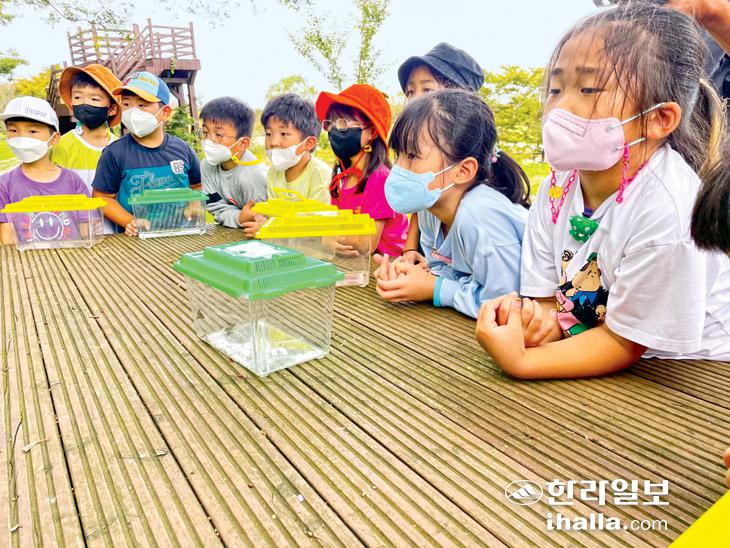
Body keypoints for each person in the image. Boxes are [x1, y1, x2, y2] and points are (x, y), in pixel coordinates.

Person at [475, 3, 730, 379]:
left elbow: (623, 342)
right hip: (604, 355)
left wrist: (523, 361)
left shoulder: (668, 207)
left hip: (688, 374)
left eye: (588, 89)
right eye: (556, 89)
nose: (560, 107)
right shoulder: (557, 187)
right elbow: (548, 300)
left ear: (659, 119)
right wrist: (536, 323)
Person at [374, 89, 530, 318]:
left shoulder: (480, 217)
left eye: (412, 156)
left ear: (463, 170)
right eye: (398, 154)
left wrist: (434, 288)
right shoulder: (430, 208)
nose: (398, 167)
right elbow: (447, 270)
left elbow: (504, 304)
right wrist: (414, 276)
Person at [397, 43, 485, 269]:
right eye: (410, 92)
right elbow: (421, 203)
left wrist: (435, 284)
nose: (415, 100)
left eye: (427, 90)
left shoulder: (481, 214)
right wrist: (410, 250)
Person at [92, 71, 201, 236]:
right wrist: (129, 221)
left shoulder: (183, 149)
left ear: (165, 112)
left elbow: (197, 185)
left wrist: (194, 203)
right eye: (126, 104)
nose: (133, 112)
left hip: (182, 233)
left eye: (142, 105)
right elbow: (102, 197)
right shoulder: (114, 153)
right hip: (136, 240)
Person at [316, 83, 407, 256]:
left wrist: (326, 237)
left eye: (343, 123)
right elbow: (334, 224)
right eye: (330, 123)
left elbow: (366, 245)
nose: (334, 129)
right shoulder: (341, 178)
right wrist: (326, 237)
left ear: (372, 132)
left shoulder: (381, 179)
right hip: (355, 263)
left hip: (385, 265)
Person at [0, 97, 89, 244]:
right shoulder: (4, 184)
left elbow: (87, 231)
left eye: (32, 131)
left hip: (71, 256)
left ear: (54, 138)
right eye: (13, 130)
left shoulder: (73, 181)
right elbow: (7, 239)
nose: (21, 137)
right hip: (25, 258)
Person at [50, 64, 122, 233]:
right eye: (77, 97)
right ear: (71, 102)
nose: (84, 103)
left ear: (112, 109)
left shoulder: (120, 149)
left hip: (117, 235)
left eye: (94, 99)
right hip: (74, 236)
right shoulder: (62, 146)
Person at [199, 97, 267, 228]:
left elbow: (260, 216)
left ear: (243, 143)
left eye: (218, 134)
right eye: (205, 132)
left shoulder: (255, 175)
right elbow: (214, 205)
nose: (209, 140)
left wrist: (247, 218)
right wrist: (238, 217)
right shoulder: (207, 165)